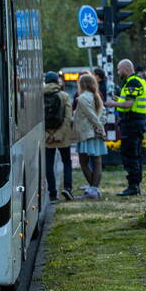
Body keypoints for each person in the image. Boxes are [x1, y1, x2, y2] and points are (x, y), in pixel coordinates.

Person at [105, 59, 146, 196]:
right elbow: (130, 101)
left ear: (125, 69)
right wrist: (119, 101)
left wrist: (113, 104)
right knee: (134, 153)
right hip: (135, 122)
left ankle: (133, 186)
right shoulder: (137, 81)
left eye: (119, 69)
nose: (118, 72)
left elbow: (129, 104)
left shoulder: (133, 82)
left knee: (130, 153)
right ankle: (134, 185)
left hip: (132, 122)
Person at [73, 73, 107, 199]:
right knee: (97, 161)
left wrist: (100, 128)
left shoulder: (82, 98)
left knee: (83, 162)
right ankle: (94, 188)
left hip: (87, 133)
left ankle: (92, 189)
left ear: (82, 84)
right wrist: (101, 127)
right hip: (97, 132)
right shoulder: (96, 96)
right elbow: (103, 114)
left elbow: (90, 115)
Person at [43, 71, 74, 201]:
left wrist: (47, 135)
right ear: (57, 81)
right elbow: (68, 118)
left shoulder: (39, 96)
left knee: (49, 165)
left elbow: (37, 118)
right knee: (66, 162)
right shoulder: (64, 96)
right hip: (62, 136)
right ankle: (67, 188)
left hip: (46, 136)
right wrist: (58, 134)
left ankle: (52, 194)